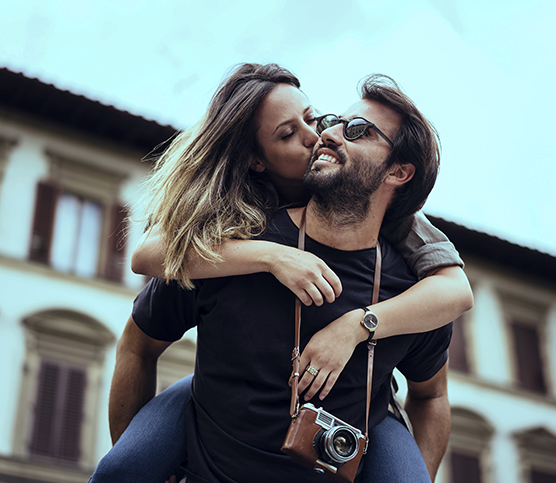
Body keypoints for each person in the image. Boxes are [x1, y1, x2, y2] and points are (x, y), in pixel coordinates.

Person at [91, 64, 472, 482]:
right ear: (256, 159)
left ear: (398, 173)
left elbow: (438, 371)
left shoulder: (413, 277)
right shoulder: (230, 239)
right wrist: (271, 256)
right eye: (290, 133)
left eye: (355, 128)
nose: (322, 134)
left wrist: (357, 326)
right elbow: (147, 273)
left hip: (371, 416)